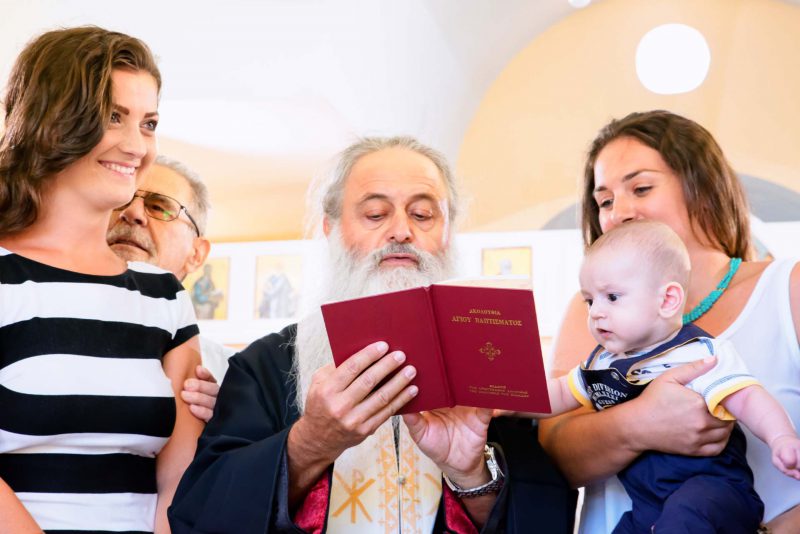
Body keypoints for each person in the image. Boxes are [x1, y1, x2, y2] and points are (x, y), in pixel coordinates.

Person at [168, 136, 577, 533]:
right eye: (376, 215)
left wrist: (469, 476)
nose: (401, 231)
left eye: (422, 215)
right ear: (331, 229)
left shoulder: (495, 367)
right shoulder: (264, 365)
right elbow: (199, 512)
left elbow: (548, 514)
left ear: (448, 233)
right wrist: (310, 443)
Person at [538, 110, 800, 533]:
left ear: (702, 188)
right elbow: (555, 458)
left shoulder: (787, 287)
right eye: (604, 201)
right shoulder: (590, 313)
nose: (619, 211)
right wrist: (641, 423)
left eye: (640, 187)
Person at [0, 26, 204, 533]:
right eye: (114, 116)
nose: (137, 145)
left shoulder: (164, 297)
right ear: (52, 119)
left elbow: (179, 482)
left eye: (149, 122)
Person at [107, 155, 235, 391]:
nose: (133, 212)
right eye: (121, 200)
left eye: (158, 207)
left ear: (196, 254)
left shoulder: (232, 379)